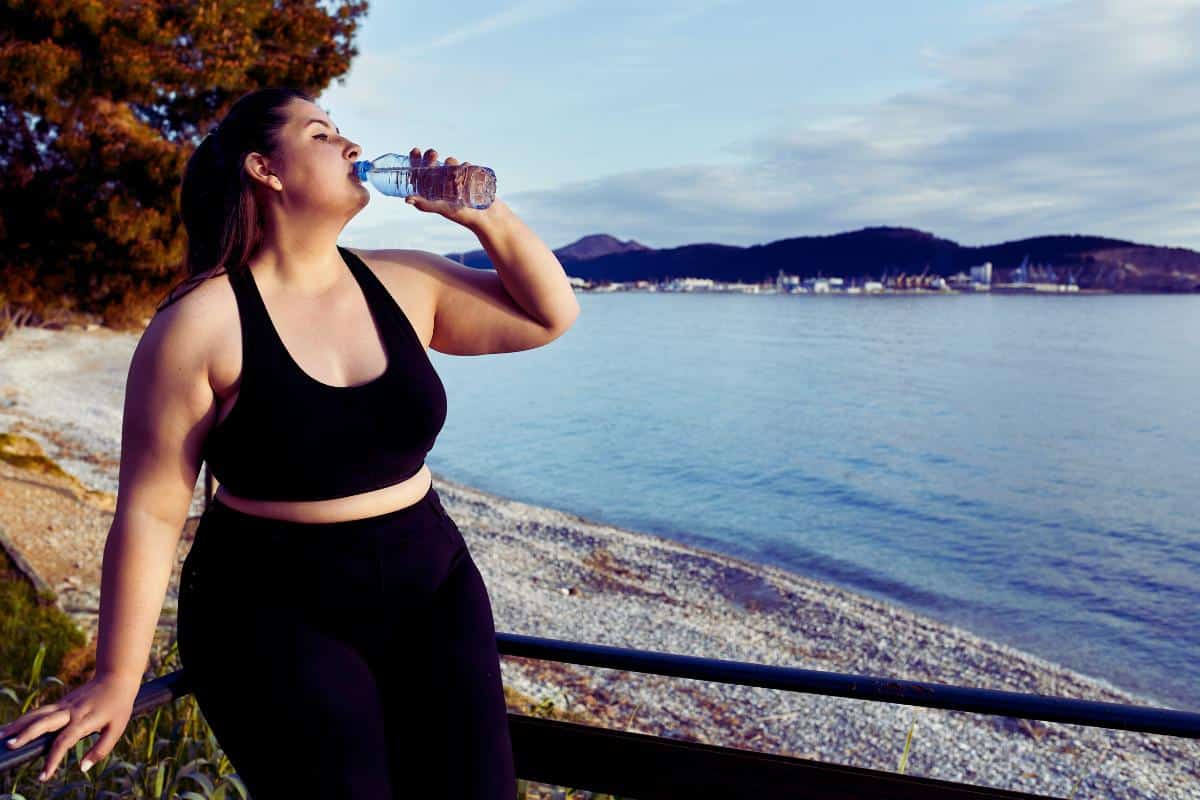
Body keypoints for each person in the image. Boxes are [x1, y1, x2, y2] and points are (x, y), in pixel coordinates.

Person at [0, 86, 580, 798]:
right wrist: (119, 676)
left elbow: (550, 315)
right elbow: (151, 511)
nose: (351, 146)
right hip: (273, 613)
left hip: (432, 585)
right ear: (263, 169)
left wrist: (481, 213)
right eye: (320, 133)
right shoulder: (199, 326)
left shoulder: (403, 281)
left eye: (343, 131)